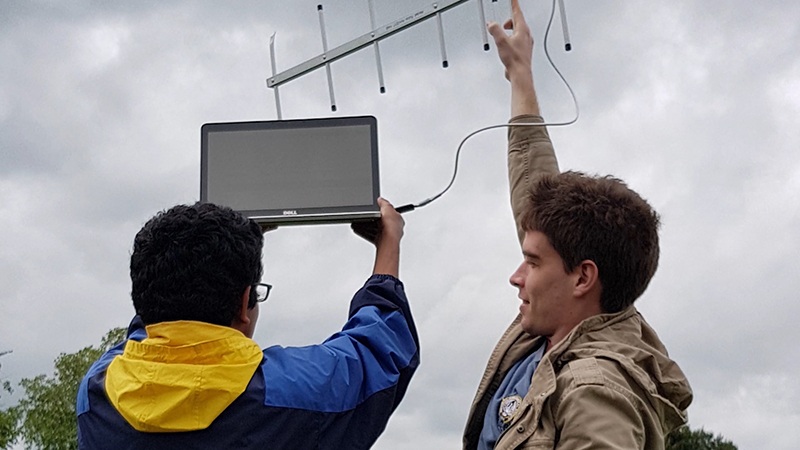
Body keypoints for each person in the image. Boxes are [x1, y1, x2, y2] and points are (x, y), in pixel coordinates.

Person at [462, 1, 693, 449]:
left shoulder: (596, 392)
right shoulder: (560, 322)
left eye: (531, 262)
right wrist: (521, 76)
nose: (516, 275)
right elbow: (534, 187)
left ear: (583, 277)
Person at [76, 198, 419, 450]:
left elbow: (150, 326)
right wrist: (387, 244)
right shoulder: (296, 394)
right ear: (244, 303)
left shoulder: (96, 393)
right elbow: (379, 351)